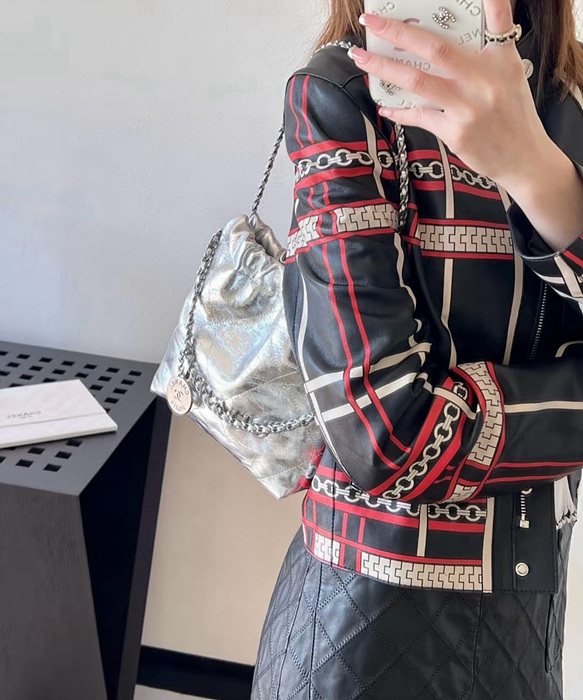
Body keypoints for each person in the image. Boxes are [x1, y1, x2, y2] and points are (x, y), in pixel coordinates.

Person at [251, 0, 583, 697]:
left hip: (525, 623)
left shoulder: (569, 103)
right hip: (361, 633)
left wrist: (538, 176)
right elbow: (390, 439)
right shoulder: (342, 97)